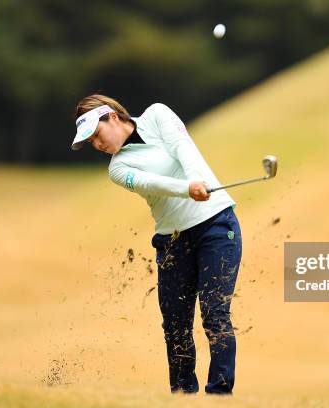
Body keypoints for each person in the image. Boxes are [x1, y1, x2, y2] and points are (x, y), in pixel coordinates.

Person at [71, 94, 242, 395]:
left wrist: (196, 178)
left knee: (215, 314)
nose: (97, 145)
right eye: (91, 143)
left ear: (112, 116)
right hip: (173, 242)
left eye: (96, 135)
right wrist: (187, 188)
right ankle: (182, 397)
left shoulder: (157, 114)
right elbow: (151, 183)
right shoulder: (118, 168)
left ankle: (219, 396)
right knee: (175, 326)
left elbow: (183, 147)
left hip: (216, 224)